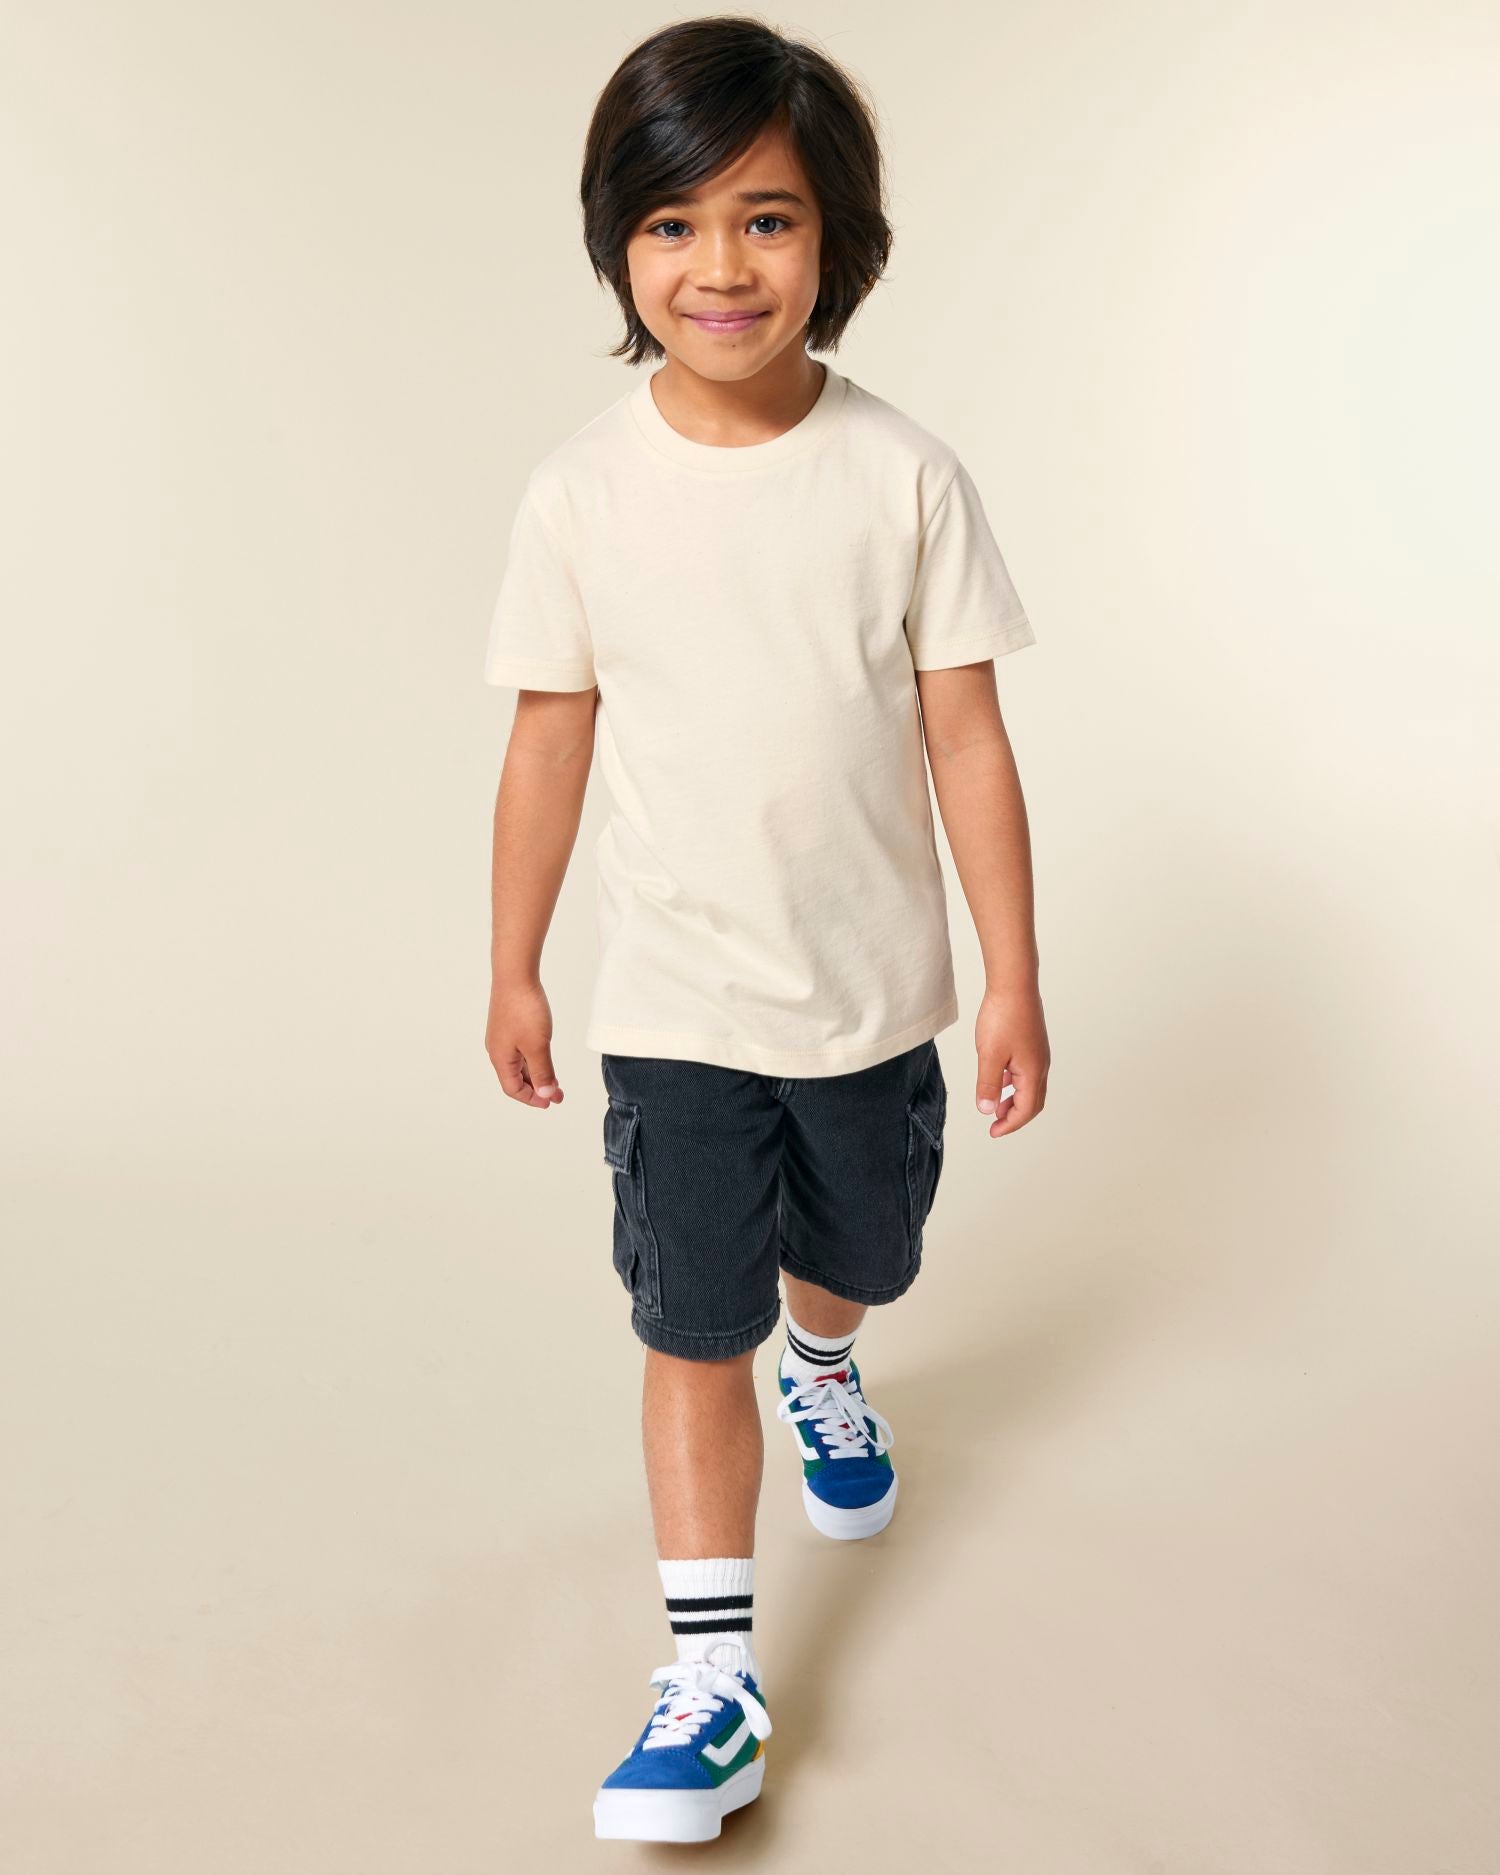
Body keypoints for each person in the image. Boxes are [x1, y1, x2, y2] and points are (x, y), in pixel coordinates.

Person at [482, 16, 1050, 1845]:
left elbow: (968, 737)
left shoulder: (906, 477)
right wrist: (514, 961)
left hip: (871, 998)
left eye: (767, 218)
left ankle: (828, 1361)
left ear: (837, 240)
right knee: (688, 1320)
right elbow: (548, 738)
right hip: (674, 1005)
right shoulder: (579, 493)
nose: (718, 266)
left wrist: (1014, 975)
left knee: (861, 1253)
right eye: (672, 223)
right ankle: (710, 1681)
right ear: (618, 245)